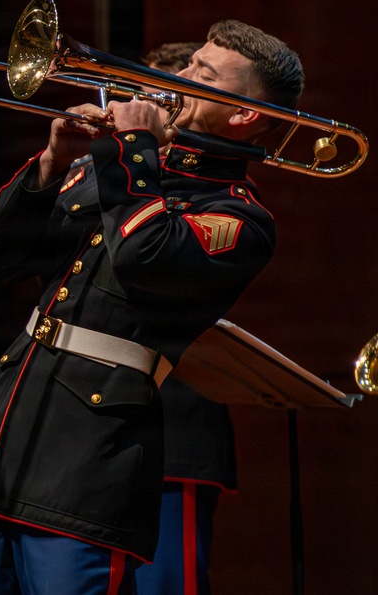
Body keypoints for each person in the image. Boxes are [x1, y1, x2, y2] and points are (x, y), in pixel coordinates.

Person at [0, 20, 304, 594]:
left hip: (90, 460)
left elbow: (142, 254)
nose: (173, 78)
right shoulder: (113, 170)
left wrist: (133, 148)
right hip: (11, 437)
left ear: (243, 115)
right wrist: (55, 161)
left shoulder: (241, 218)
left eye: (201, 74)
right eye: (188, 64)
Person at [134, 41, 237, 595]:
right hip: (114, 437)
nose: (147, 105)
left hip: (178, 431)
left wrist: (136, 151)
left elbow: (153, 258)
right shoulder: (132, 172)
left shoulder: (213, 192)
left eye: (162, 96)